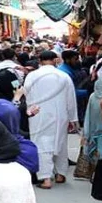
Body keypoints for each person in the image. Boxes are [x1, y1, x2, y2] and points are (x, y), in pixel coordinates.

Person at [25, 50, 79, 189]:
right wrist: (73, 119)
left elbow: (26, 94)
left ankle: (45, 178)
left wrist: (28, 111)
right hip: (60, 115)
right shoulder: (64, 76)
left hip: (38, 114)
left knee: (41, 144)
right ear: (55, 60)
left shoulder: (32, 76)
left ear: (40, 60)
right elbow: (71, 99)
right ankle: (60, 174)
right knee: (60, 142)